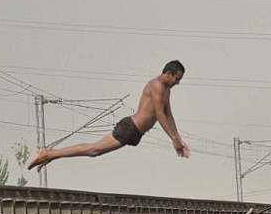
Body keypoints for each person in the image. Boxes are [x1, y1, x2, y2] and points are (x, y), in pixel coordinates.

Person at [27, 60, 190, 172]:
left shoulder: (167, 89)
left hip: (135, 132)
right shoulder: (157, 85)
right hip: (130, 128)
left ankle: (52, 154)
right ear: (168, 73)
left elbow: (168, 114)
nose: (178, 83)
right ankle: (49, 154)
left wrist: (178, 139)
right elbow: (160, 114)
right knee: (93, 150)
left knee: (94, 150)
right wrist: (173, 140)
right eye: (177, 78)